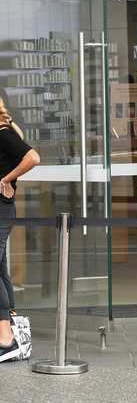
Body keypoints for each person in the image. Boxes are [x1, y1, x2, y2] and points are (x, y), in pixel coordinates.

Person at [0, 98, 40, 362]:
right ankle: (12, 326)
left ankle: (6, 339)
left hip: (0, 209)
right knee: (1, 269)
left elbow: (33, 157)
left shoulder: (2, 134)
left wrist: (6, 178)